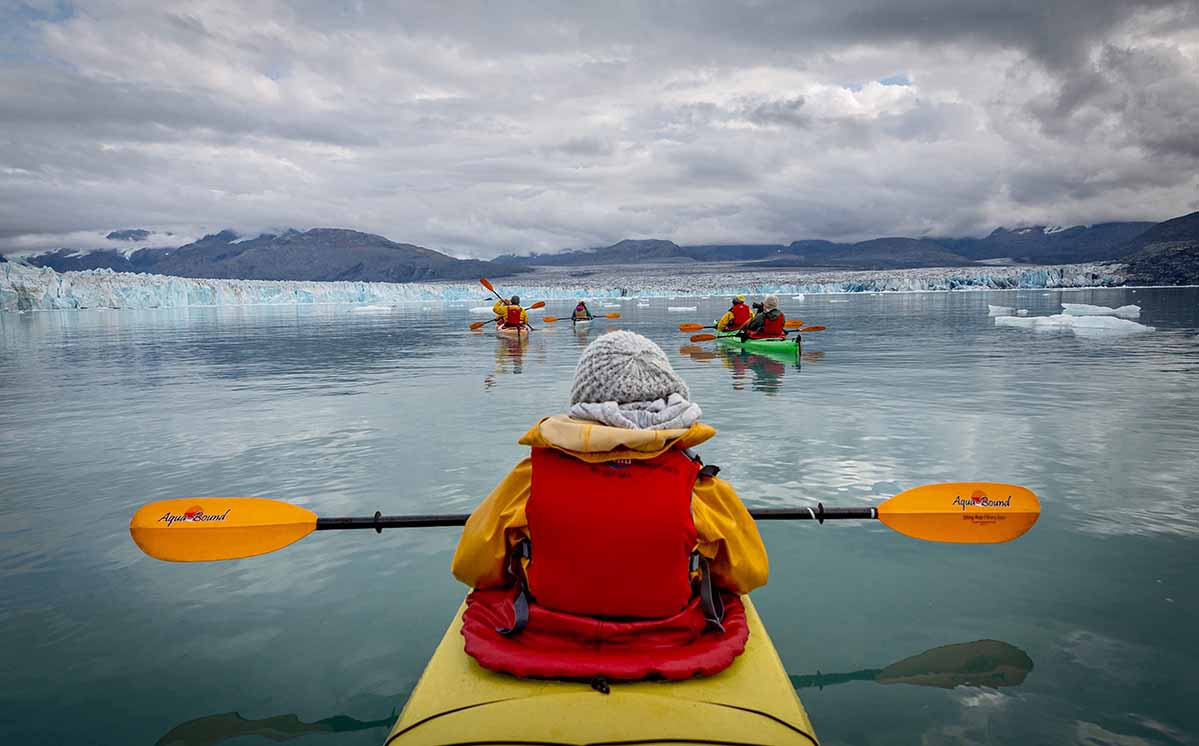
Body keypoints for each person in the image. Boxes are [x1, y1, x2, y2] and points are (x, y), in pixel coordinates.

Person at [451, 331, 768, 681]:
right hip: (670, 636)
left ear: (584, 398)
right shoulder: (700, 485)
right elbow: (748, 575)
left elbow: (472, 567)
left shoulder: (529, 478)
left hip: (547, 630)